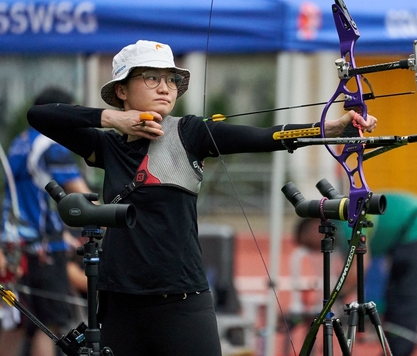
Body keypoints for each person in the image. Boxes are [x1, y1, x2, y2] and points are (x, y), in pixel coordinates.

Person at [26, 40, 377, 356]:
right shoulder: (106, 146)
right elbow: (39, 116)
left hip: (182, 301)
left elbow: (265, 136)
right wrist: (115, 120)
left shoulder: (189, 133)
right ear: (122, 89)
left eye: (171, 80)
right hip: (119, 302)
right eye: (151, 78)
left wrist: (329, 129)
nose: (165, 88)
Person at [0, 87, 90, 356]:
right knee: (47, 325)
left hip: (13, 246)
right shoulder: (51, 147)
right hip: (43, 252)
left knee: (13, 321)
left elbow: (28, 198)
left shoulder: (20, 142)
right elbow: (83, 197)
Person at [330, 191, 417, 356]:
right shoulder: (343, 216)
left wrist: (336, 296)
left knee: (403, 293)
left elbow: (358, 269)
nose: (311, 249)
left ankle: (399, 350)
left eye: (305, 242)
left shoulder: (345, 221)